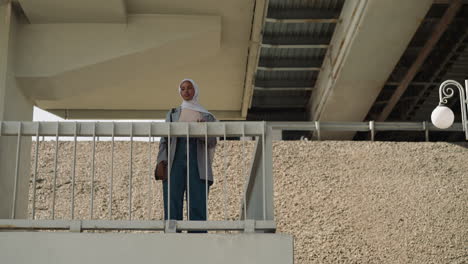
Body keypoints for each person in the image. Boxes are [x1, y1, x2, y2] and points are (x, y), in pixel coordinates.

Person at [156, 79, 217, 231]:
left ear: (195, 90)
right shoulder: (172, 114)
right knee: (172, 198)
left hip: (197, 158)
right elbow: (164, 140)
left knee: (197, 198)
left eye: (189, 88)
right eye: (183, 88)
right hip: (174, 157)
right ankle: (172, 235)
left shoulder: (207, 116)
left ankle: (197, 236)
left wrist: (202, 131)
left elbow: (212, 142)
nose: (186, 91)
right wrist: (161, 161)